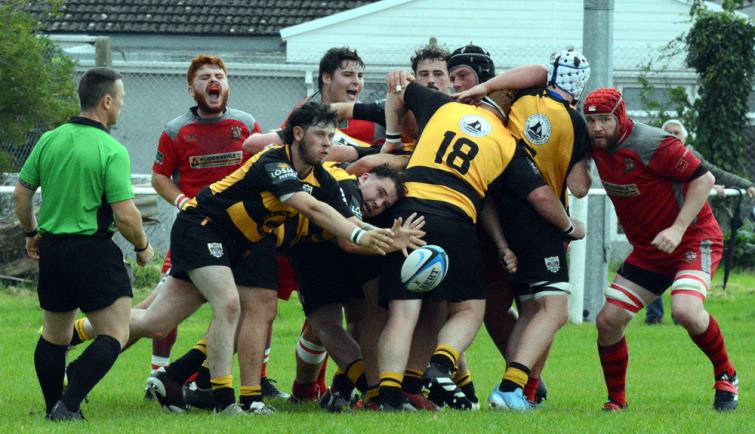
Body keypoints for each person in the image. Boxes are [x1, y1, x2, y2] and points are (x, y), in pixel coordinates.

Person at [375, 71, 584, 411]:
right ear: (509, 104)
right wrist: (568, 226)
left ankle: (389, 396)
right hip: (455, 218)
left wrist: (393, 138)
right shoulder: (506, 143)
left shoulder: (443, 107)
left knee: (405, 311)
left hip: (408, 209)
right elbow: (542, 196)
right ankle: (441, 365)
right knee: (471, 308)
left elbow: (396, 88)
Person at [583, 88, 739, 412]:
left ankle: (726, 374)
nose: (597, 127)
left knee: (684, 310)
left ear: (621, 116)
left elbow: (704, 180)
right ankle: (617, 401)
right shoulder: (592, 144)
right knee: (608, 320)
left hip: (694, 239)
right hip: (651, 251)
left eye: (604, 119)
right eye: (591, 120)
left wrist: (678, 228)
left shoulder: (653, 143)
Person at [13, 67, 155, 421]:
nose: (122, 106)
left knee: (54, 335)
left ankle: (52, 409)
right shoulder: (111, 149)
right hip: (92, 250)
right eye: (120, 99)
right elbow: (125, 215)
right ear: (106, 101)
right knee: (116, 334)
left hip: (54, 251)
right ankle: (70, 403)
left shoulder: (49, 139)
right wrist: (142, 247)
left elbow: (21, 194)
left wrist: (32, 234)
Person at [472, 48, 592, 411]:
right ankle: (510, 389)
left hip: (498, 216)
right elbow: (579, 187)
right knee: (554, 310)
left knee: (529, 310)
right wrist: (587, 157)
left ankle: (521, 390)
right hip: (541, 223)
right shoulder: (576, 122)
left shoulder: (519, 99)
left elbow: (524, 76)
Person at [644, 119, 755, 325]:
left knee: (685, 268)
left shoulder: (692, 155)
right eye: (668, 133)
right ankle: (653, 317)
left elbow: (713, 174)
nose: (673, 136)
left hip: (689, 225)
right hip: (661, 221)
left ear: (685, 138)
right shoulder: (653, 156)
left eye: (677, 132)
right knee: (654, 267)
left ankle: (681, 315)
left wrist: (745, 184)